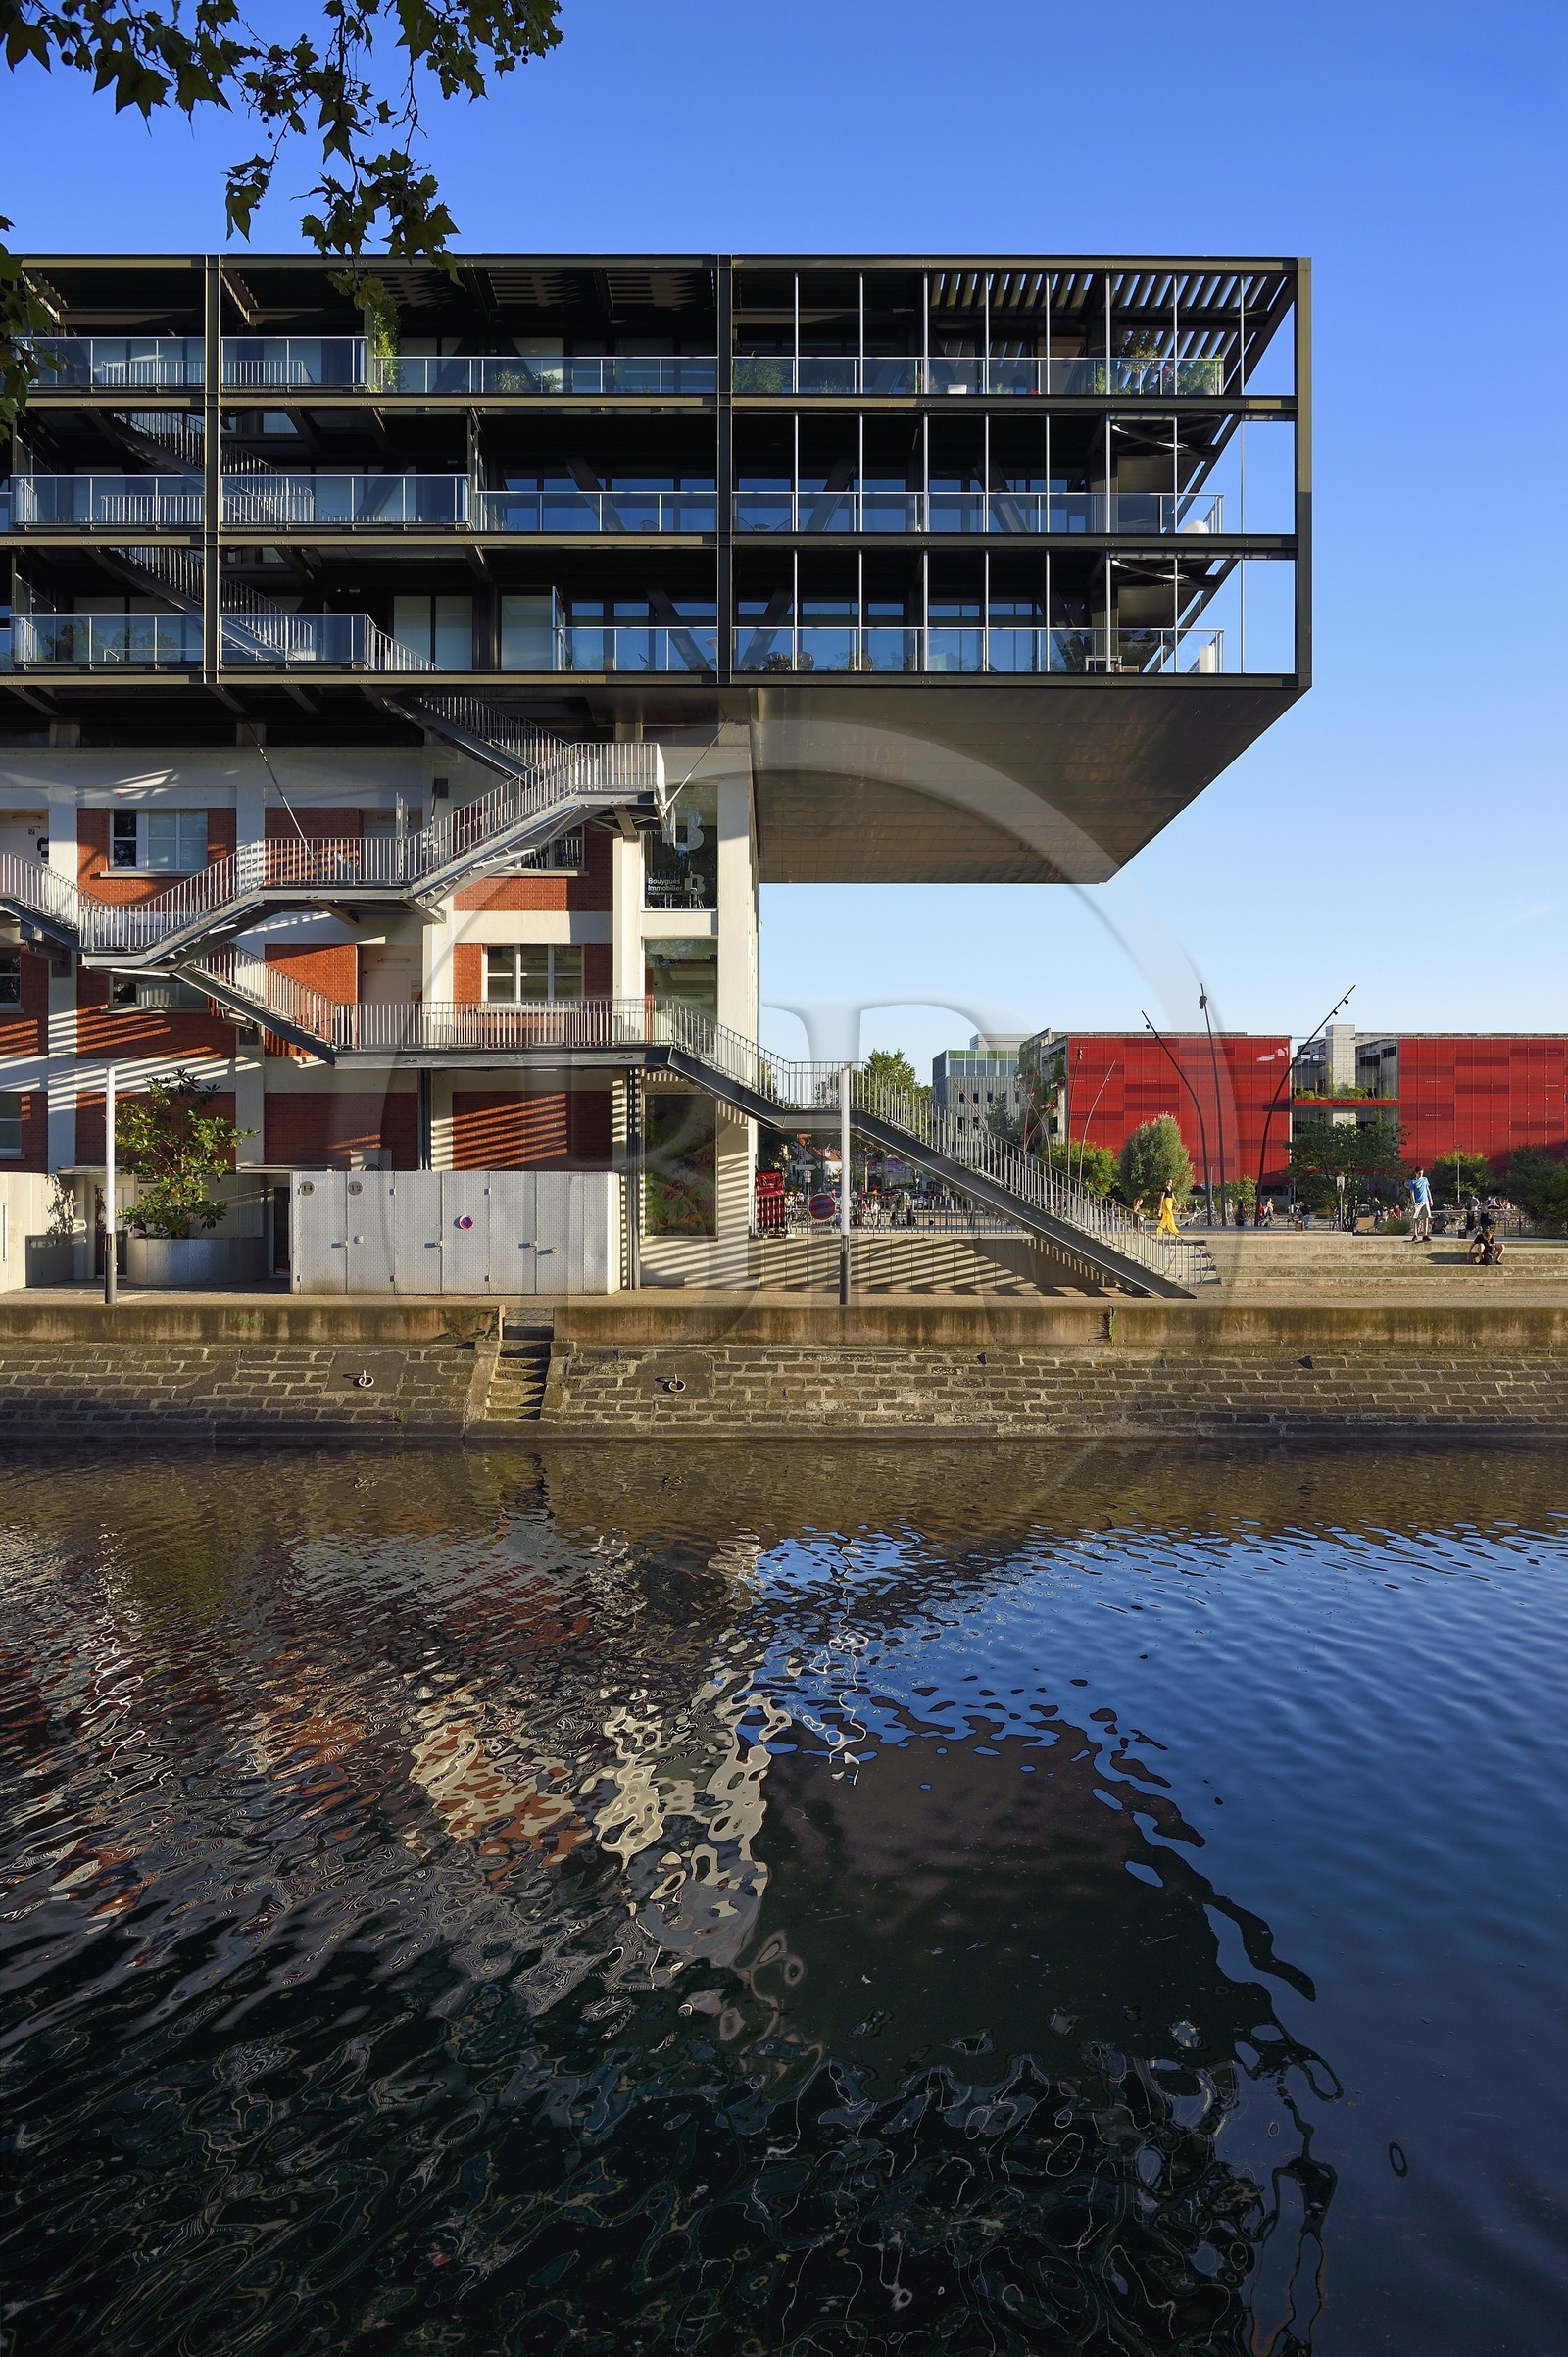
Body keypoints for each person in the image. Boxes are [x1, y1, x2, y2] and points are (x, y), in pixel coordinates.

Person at [1406, 1165, 1434, 1241]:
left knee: (1426, 1217)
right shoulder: (1413, 1182)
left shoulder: (1425, 1179)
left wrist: (1430, 1199)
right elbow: (1411, 1193)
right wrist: (1413, 1202)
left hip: (1425, 1200)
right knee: (1415, 1217)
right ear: (1416, 1173)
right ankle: (1415, 1234)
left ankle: (1425, 1234)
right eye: (1419, 1173)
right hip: (1417, 1201)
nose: (1420, 1175)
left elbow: (1427, 1189)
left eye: (1422, 1173)